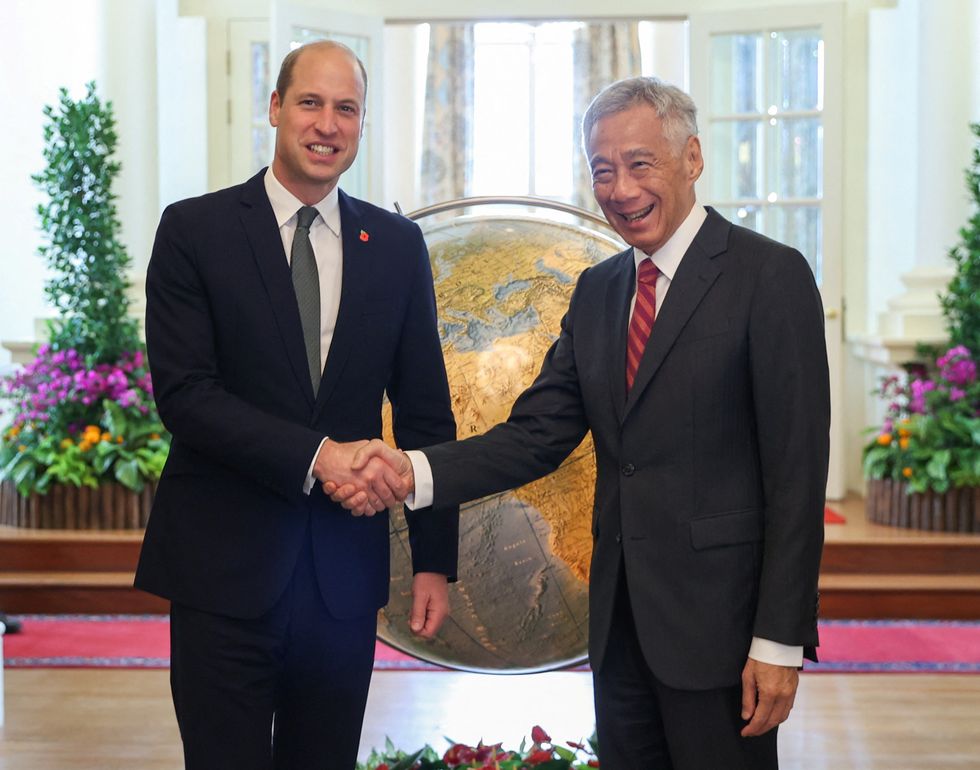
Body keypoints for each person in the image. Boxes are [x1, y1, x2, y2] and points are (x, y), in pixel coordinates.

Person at [330, 77, 830, 769]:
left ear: (692, 158)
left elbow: (797, 476)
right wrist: (408, 470)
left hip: (721, 634)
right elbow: (536, 435)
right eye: (603, 170)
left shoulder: (768, 277)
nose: (620, 188)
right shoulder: (598, 290)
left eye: (639, 164)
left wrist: (777, 644)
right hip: (620, 631)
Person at [134, 40, 459, 770]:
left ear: (363, 124)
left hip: (341, 582)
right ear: (275, 109)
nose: (327, 123)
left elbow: (426, 412)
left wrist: (434, 562)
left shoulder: (398, 246)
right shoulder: (195, 231)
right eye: (310, 102)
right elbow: (186, 396)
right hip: (223, 572)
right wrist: (321, 456)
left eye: (347, 108)